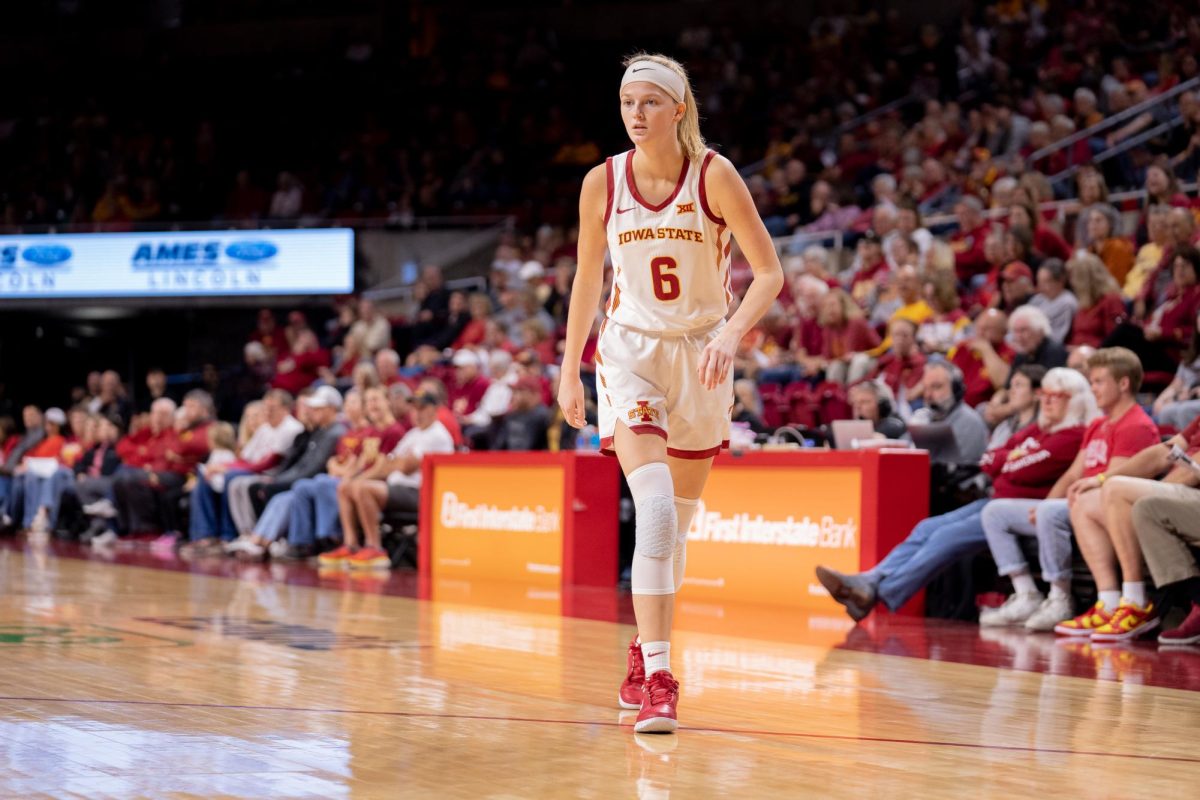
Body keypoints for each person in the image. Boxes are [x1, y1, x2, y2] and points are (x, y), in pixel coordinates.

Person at [556, 53, 783, 735]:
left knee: (676, 526)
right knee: (653, 511)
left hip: (702, 356)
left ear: (678, 109)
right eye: (627, 101)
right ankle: (660, 677)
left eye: (650, 102)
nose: (635, 113)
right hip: (629, 353)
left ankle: (640, 643)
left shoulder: (714, 175)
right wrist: (570, 368)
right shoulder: (603, 181)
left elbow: (768, 273)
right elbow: (586, 281)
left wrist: (733, 334)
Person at [816, 367, 1091, 622]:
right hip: (994, 502)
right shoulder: (1040, 430)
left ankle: (876, 591)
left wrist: (1010, 460)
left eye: (1058, 396)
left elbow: (1021, 470)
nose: (1048, 400)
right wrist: (1010, 460)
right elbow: (990, 459)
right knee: (927, 527)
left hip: (1019, 510)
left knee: (944, 537)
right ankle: (870, 580)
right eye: (1045, 393)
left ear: (1076, 400)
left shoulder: (1072, 435)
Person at [979, 348, 1160, 633]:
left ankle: (1061, 597)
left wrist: (1052, 506)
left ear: (1123, 384)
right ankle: (1026, 592)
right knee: (995, 512)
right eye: (1092, 382)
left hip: (1110, 506)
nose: (1093, 389)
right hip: (1080, 501)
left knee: (1058, 510)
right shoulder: (1098, 424)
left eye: (1099, 381)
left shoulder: (1136, 425)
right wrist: (1045, 505)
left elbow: (1114, 485)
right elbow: (1074, 472)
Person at [322, 390, 454, 569]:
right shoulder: (414, 433)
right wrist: (398, 462)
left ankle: (374, 547)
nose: (417, 412)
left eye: (422, 408)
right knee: (344, 487)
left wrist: (397, 462)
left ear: (435, 410)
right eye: (414, 408)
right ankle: (350, 544)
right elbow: (388, 463)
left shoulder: (437, 434)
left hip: (421, 493)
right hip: (398, 487)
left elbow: (406, 466)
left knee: (362, 488)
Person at [1066, 253, 1126, 349]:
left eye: (1075, 278)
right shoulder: (1084, 303)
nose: (1072, 283)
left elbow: (1114, 341)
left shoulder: (1111, 300)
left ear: (1085, 280)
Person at [1027, 259, 1077, 344]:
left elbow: (1057, 337)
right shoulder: (1037, 299)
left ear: (1061, 281)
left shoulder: (1067, 303)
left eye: (1046, 282)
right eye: (1039, 281)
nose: (1040, 287)